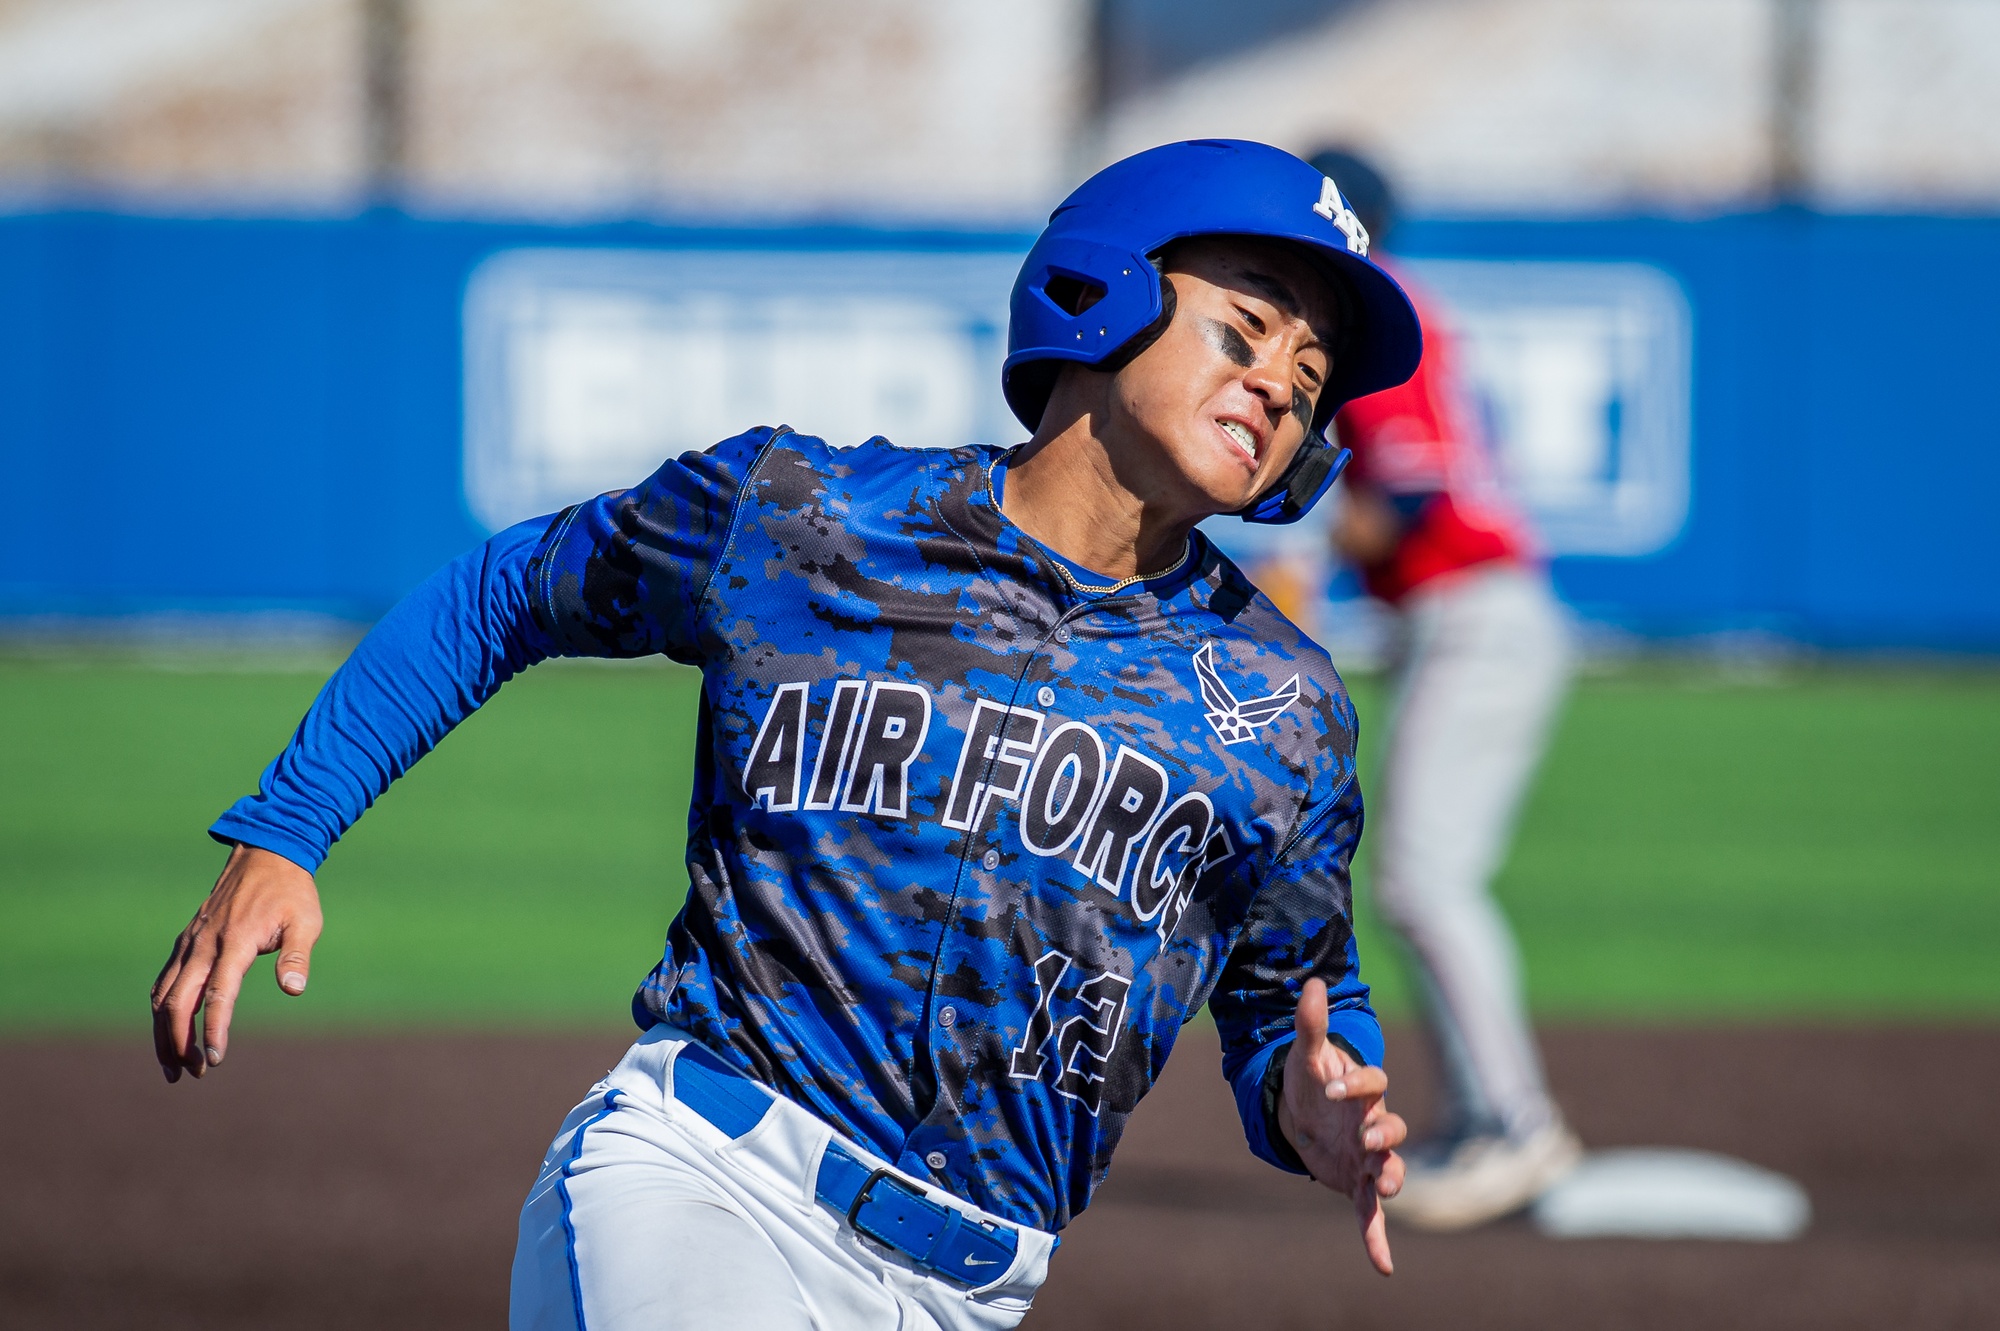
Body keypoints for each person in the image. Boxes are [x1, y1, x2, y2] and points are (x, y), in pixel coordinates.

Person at [150, 140, 1423, 1330]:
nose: (1276, 381)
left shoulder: (1282, 706)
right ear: (1108, 291)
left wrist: (1314, 1099)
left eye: (1309, 382)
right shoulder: (803, 519)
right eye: (1247, 326)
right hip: (703, 1180)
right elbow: (503, 597)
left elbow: (1294, 997)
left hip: (969, 1288)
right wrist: (286, 826)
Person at [1307, 147, 1583, 1233]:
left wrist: (1300, 539)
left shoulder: (1386, 322)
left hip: (1475, 611)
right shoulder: (1385, 320)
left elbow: (1409, 504)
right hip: (1459, 616)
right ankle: (1488, 1115)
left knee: (1423, 880)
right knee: (1419, 880)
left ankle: (1515, 1121)